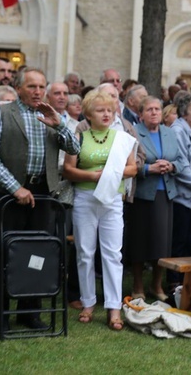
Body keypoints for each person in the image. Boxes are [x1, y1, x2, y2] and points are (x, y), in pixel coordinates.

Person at [0, 67, 80, 332]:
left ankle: (30, 312)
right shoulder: (3, 114)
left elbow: (75, 149)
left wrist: (59, 125)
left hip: (43, 195)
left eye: (41, 87)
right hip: (8, 195)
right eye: (32, 87)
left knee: (37, 253)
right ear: (19, 88)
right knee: (4, 254)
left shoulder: (50, 115)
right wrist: (15, 188)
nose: (38, 92)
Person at [62, 90, 137, 331]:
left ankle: (114, 307)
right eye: (100, 110)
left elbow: (133, 169)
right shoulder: (79, 137)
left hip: (113, 200)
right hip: (85, 197)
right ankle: (88, 303)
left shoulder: (121, 137)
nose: (106, 114)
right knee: (84, 252)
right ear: (88, 114)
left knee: (113, 254)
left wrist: (110, 174)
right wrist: (93, 175)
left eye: (109, 109)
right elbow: (68, 170)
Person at [127, 96, 185, 301]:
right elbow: (127, 162)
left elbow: (181, 160)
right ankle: (138, 285)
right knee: (140, 241)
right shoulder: (134, 132)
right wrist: (147, 169)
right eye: (149, 109)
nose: (154, 113)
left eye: (157, 109)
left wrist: (171, 167)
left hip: (165, 193)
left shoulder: (169, 133)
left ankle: (156, 285)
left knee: (162, 243)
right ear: (141, 113)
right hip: (143, 194)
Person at [167, 92, 191, 290]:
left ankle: (186, 280)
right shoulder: (178, 131)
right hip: (182, 194)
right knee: (179, 240)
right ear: (184, 112)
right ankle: (174, 281)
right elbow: (181, 164)